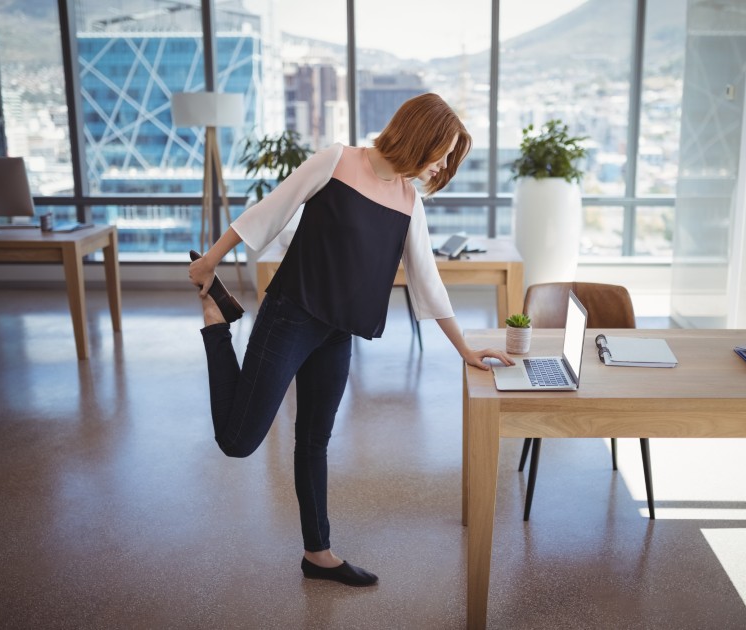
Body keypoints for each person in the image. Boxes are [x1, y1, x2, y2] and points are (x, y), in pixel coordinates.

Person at [188, 93, 513, 587]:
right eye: (442, 150)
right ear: (418, 136)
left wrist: (465, 348)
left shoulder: (409, 200)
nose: (442, 163)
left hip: (338, 332)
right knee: (237, 442)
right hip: (289, 316)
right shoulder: (336, 160)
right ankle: (217, 324)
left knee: (314, 441)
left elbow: (428, 280)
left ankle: (318, 553)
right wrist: (210, 261)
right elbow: (269, 211)